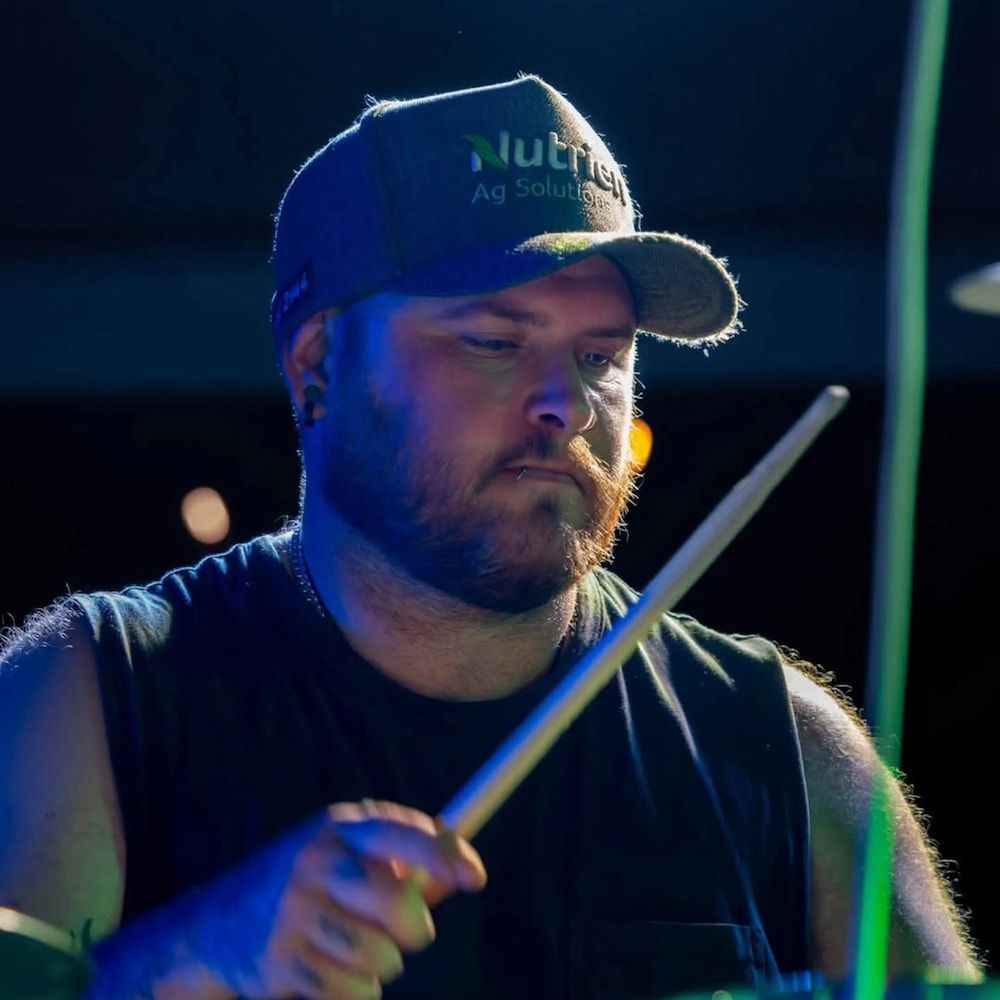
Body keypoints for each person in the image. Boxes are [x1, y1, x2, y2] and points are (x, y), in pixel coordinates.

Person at [0, 75, 982, 1000]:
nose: (565, 404)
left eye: (600, 356)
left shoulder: (789, 747)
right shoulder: (92, 694)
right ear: (316, 371)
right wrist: (185, 960)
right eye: (494, 341)